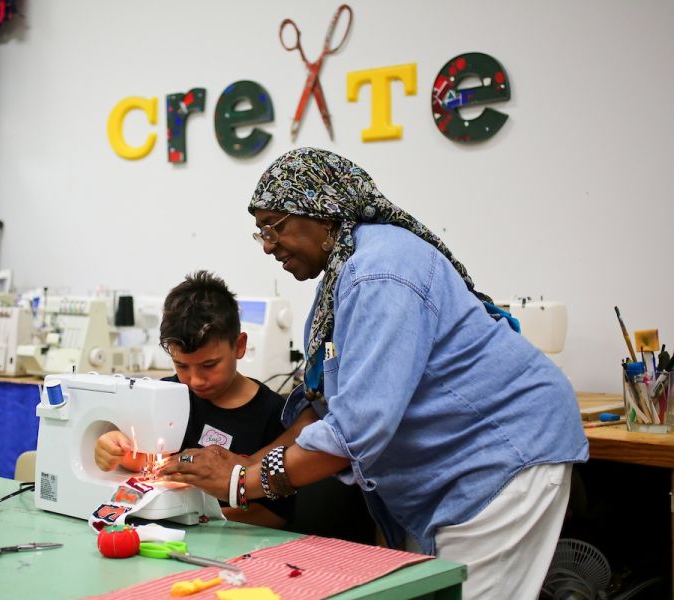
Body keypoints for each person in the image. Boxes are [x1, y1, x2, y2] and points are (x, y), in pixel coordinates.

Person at [160, 148, 588, 599]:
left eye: (276, 225)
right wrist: (245, 464)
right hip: (452, 472)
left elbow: (356, 430)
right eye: (260, 231)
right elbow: (325, 405)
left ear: (323, 213)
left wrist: (241, 481)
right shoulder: (344, 274)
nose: (268, 244)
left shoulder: (379, 273)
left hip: (502, 456)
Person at [94, 270, 294, 528]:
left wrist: (198, 521)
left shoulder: (273, 415)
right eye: (182, 366)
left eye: (209, 365)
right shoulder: (164, 395)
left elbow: (274, 515)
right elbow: (140, 460)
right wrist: (112, 449)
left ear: (239, 346)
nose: (196, 380)